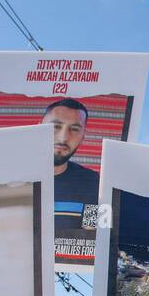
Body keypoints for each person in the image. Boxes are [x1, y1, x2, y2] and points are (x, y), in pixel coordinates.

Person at [45, 98, 100, 232]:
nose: (63, 137)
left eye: (74, 129)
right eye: (56, 126)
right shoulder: (11, 178)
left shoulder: (95, 183)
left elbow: (95, 236)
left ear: (83, 136)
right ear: (37, 127)